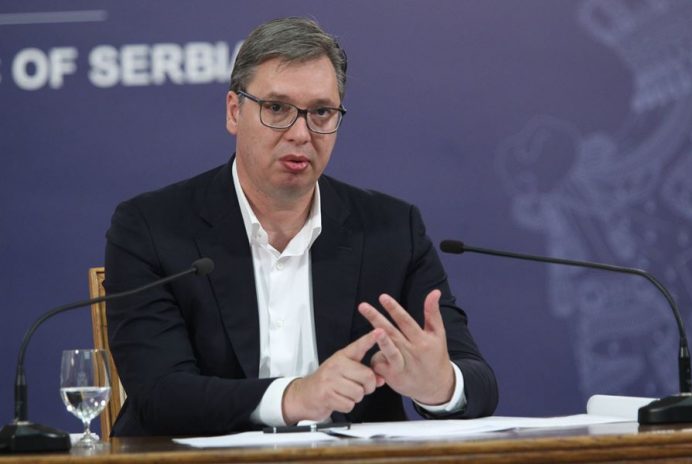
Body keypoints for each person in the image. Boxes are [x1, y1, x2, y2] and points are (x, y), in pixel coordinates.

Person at [104, 17, 498, 436]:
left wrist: (439, 386)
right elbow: (161, 394)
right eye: (277, 108)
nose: (300, 133)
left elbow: (477, 380)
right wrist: (294, 397)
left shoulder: (392, 230)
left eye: (321, 112)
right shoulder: (152, 227)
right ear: (235, 112)